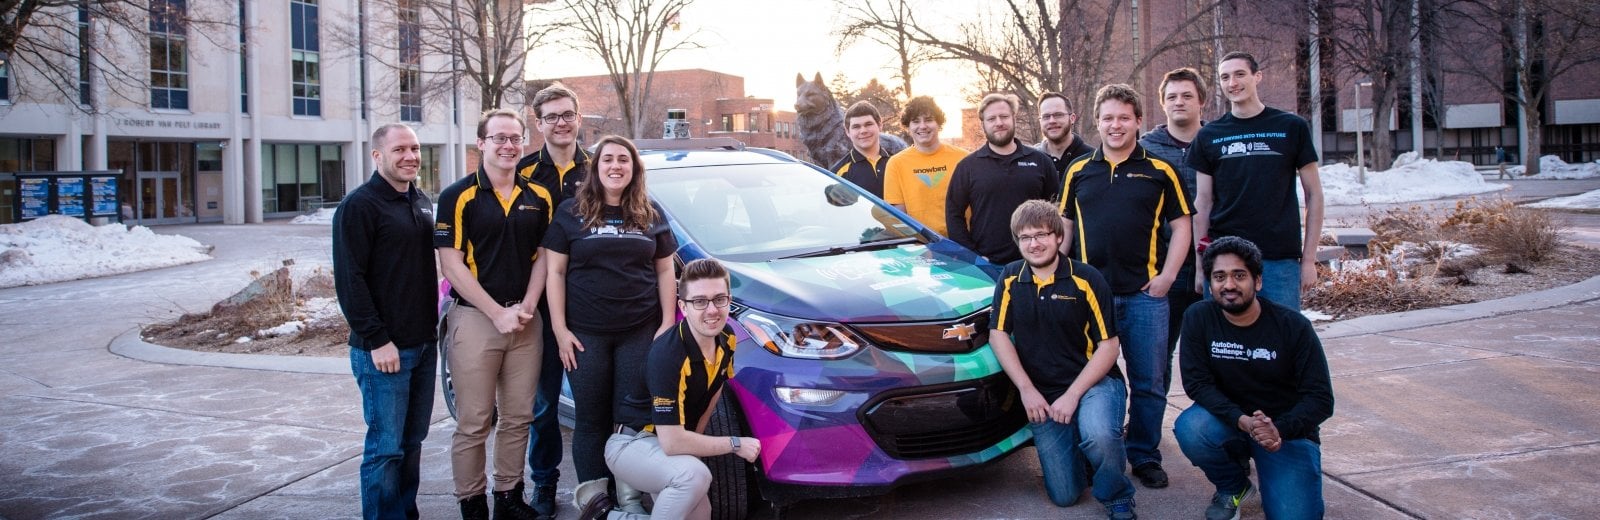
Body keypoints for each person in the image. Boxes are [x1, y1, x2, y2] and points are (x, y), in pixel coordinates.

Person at [1058, 84, 1192, 491]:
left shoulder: (1159, 170)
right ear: (1096, 122)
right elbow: (1064, 230)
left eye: (1123, 118)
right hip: (1090, 299)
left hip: (1144, 297)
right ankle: (1094, 449)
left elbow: (1182, 226)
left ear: (1137, 121)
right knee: (1088, 376)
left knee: (1149, 381)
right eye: (1107, 118)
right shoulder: (1079, 170)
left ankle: (1145, 454)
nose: (1115, 126)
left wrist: (1167, 276)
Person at [543, 135, 678, 514]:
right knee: (590, 418)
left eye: (624, 160)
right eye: (608, 160)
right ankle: (595, 503)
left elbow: (665, 269)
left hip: (640, 331)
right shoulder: (572, 212)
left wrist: (667, 322)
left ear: (634, 169)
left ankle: (628, 500)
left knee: (629, 420)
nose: (616, 166)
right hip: (585, 335)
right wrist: (559, 330)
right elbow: (554, 271)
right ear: (596, 167)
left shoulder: (650, 213)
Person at [573, 259, 763, 520]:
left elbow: (714, 392)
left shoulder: (727, 337)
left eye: (719, 299)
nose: (711, 310)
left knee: (701, 512)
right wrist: (734, 443)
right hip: (631, 445)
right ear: (683, 307)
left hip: (664, 446)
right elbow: (672, 443)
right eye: (699, 301)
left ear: (729, 300)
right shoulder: (668, 354)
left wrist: (694, 445)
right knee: (694, 476)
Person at [435, 109, 552, 520]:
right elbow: (451, 265)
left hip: (525, 320)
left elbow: (544, 259)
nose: (508, 146)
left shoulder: (538, 196)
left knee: (520, 416)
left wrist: (528, 306)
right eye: (499, 138)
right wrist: (495, 312)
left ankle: (509, 496)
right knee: (475, 421)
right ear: (481, 143)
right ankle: (472, 502)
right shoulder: (458, 195)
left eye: (515, 138)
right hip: (475, 320)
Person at [988, 200, 1137, 520]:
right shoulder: (1011, 278)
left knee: (1098, 434)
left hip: (1094, 382)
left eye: (1041, 234)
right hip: (1043, 392)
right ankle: (1085, 454)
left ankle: (1117, 494)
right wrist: (1026, 389)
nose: (1034, 243)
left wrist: (1072, 396)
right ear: (1017, 242)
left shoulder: (1086, 279)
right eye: (1025, 237)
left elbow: (1109, 346)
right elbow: (998, 335)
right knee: (1065, 496)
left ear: (1057, 236)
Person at [1176, 236, 1333, 520]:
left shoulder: (1293, 326)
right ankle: (1234, 487)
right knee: (1191, 428)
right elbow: (1197, 383)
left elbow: (1320, 399)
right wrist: (1243, 421)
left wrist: (1279, 429)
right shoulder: (1198, 317)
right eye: (1219, 277)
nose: (1229, 285)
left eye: (1239, 275)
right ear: (1210, 284)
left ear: (1258, 281)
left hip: (1285, 433)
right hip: (1230, 423)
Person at [333, 123, 438, 520]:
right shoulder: (359, 206)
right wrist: (377, 340)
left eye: (414, 148)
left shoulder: (421, 201)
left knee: (412, 444)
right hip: (383, 351)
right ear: (377, 156)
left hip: (423, 346)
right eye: (400, 150)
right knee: (385, 448)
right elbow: (349, 279)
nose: (411, 156)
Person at [1189, 51, 1324, 311]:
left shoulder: (1290, 127)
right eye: (1225, 77)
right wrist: (1200, 268)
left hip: (1279, 259)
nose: (1232, 83)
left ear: (1257, 76)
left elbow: (1314, 195)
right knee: (1225, 341)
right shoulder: (1208, 136)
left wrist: (1309, 261)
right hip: (1224, 258)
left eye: (1240, 74)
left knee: (1282, 340)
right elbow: (1203, 203)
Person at [516, 83, 590, 517]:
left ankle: (605, 485)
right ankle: (544, 484)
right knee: (543, 402)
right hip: (538, 303)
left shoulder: (601, 168)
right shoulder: (522, 171)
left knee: (597, 403)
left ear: (579, 118)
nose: (561, 123)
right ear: (538, 122)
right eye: (551, 117)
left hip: (592, 300)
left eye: (568, 114)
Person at [1141, 67, 1209, 401]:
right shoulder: (1145, 149)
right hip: (1163, 269)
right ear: (1162, 104)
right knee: (1157, 354)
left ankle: (1220, 419)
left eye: (1186, 96)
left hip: (1213, 267)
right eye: (1171, 97)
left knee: (1213, 352)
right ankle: (1148, 424)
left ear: (1202, 103)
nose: (1178, 102)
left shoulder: (1217, 143)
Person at [946, 92, 1060, 265]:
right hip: (988, 264)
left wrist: (1050, 250)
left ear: (1013, 118)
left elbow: (1057, 210)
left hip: (1036, 261)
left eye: (1004, 116)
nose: (999, 123)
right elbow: (953, 213)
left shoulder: (1040, 161)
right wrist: (971, 254)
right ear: (983, 124)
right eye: (991, 119)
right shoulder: (967, 167)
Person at [883, 95, 968, 235]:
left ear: (939, 124)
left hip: (963, 244)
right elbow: (898, 217)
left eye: (929, 120)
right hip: (921, 247)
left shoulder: (963, 158)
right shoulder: (896, 163)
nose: (922, 126)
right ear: (908, 127)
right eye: (915, 121)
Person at [830, 101, 890, 197]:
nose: (863, 131)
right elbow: (832, 210)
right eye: (856, 127)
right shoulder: (838, 173)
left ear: (880, 125)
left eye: (868, 124)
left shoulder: (897, 162)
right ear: (847, 132)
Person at [1035, 91, 1096, 185]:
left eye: (1058, 115)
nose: (1052, 121)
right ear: (1040, 121)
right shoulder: (1030, 160)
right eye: (1046, 116)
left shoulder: (1093, 159)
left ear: (1072, 118)